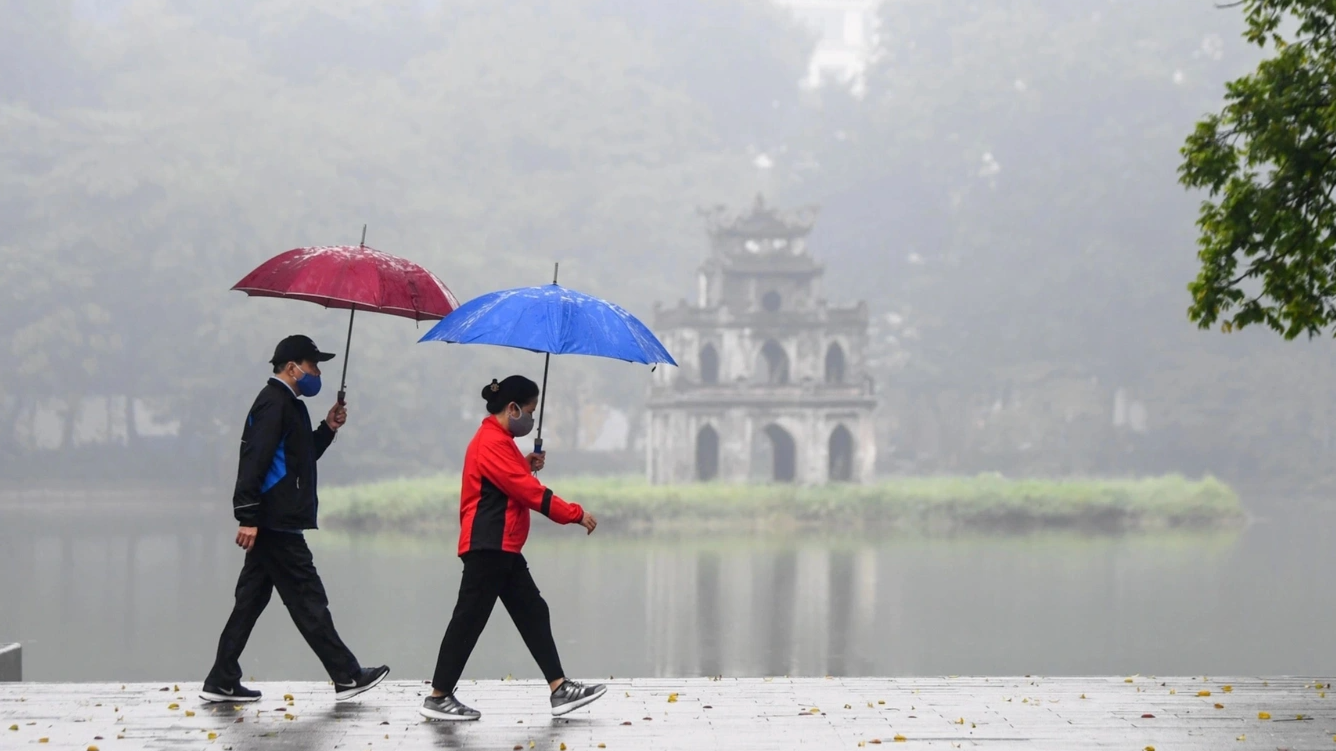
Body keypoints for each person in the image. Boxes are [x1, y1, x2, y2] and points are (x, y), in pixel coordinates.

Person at [200, 334, 390, 704]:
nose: (317, 373)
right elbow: (253, 460)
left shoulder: (290, 405)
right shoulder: (274, 403)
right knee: (308, 598)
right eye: (313, 365)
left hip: (276, 520)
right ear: (292, 368)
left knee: (250, 601)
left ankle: (221, 678)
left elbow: (300, 459)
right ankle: (348, 675)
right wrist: (247, 515)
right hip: (276, 522)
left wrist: (328, 428)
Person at [420, 375, 605, 721]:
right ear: (513, 408)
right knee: (469, 620)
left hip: (502, 546)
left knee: (533, 611)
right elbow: (525, 491)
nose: (531, 418)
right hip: (488, 545)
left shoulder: (499, 441)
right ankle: (438, 696)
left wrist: (525, 463)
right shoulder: (491, 441)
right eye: (530, 411)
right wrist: (575, 513)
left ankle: (559, 688)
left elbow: (508, 478)